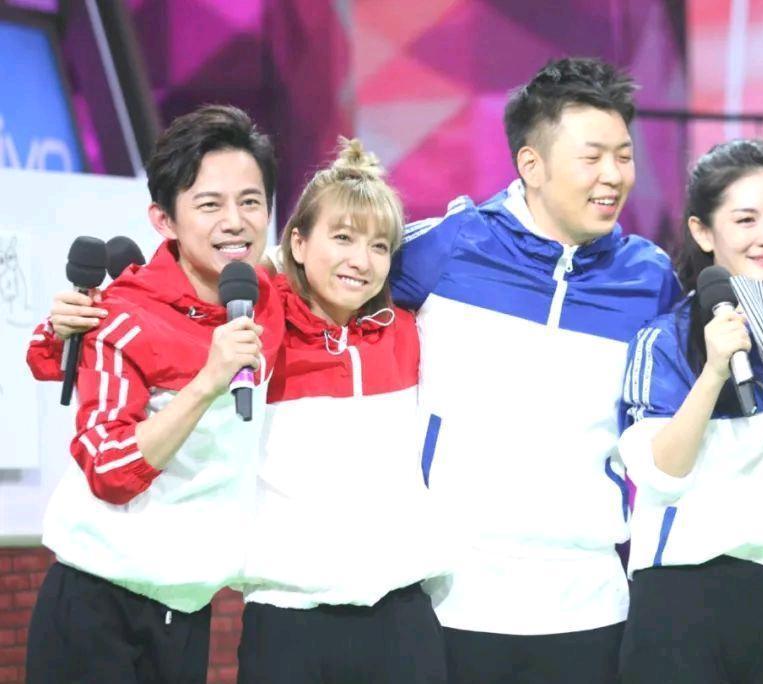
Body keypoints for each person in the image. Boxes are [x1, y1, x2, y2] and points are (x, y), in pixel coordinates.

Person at [390, 57, 680, 683]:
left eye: (624, 156)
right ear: (532, 164)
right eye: (591, 157)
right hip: (450, 599)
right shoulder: (447, 247)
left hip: (591, 605)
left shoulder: (649, 279)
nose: (613, 176)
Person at [24, 105, 285, 683]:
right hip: (97, 607)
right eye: (210, 205)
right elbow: (110, 469)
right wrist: (208, 381)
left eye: (251, 201)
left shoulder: (266, 299)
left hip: (188, 611)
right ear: (164, 220)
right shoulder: (125, 316)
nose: (235, 222)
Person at [237, 138, 447, 683]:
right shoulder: (261, 325)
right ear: (297, 242)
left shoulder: (408, 331)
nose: (361, 261)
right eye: (343, 238)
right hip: (287, 617)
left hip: (401, 617)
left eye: (379, 246)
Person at [618, 139, 763, 683]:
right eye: (746, 219)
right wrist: (712, 372)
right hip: (685, 595)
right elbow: (660, 474)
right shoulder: (665, 338)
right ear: (704, 232)